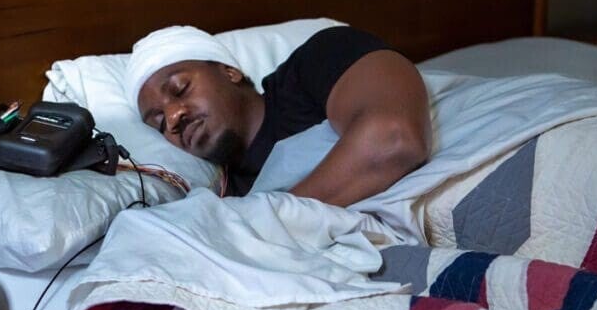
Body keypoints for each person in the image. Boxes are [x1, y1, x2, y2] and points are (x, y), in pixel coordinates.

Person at [125, 25, 431, 206]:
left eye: (180, 89)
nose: (173, 117)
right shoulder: (227, 199)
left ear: (229, 72)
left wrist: (271, 221)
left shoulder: (316, 63)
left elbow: (394, 138)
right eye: (159, 123)